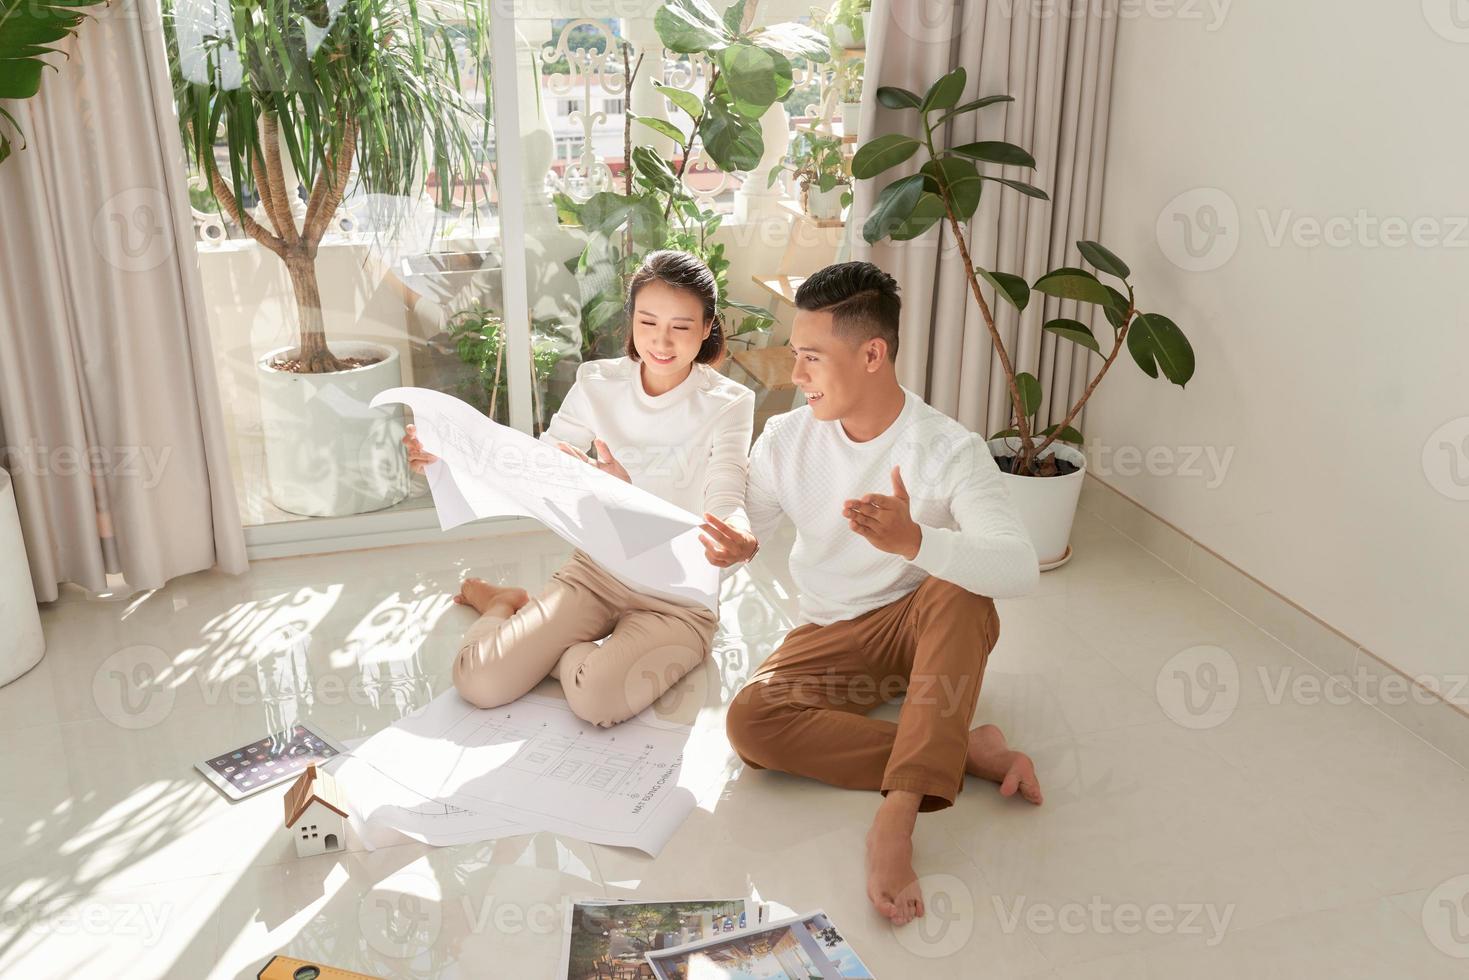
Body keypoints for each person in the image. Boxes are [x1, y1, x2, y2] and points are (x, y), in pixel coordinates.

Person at [721, 261, 1043, 926]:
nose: (796, 374)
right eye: (794, 355)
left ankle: (896, 819)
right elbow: (745, 528)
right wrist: (735, 543)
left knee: (962, 593)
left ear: (872, 353)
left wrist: (915, 542)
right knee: (750, 722)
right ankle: (959, 750)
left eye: (811, 357)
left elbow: (1018, 567)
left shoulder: (947, 448)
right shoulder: (786, 438)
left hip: (919, 630)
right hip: (828, 635)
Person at [402, 250, 759, 728]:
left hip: (679, 595)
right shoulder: (598, 382)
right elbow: (538, 463)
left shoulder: (729, 402)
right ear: (632, 319)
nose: (661, 340)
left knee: (596, 701)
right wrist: (451, 461)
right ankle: (508, 603)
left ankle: (552, 646)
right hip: (599, 569)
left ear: (707, 325)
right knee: (479, 681)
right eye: (648, 321)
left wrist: (738, 534)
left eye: (681, 325)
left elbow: (727, 486)